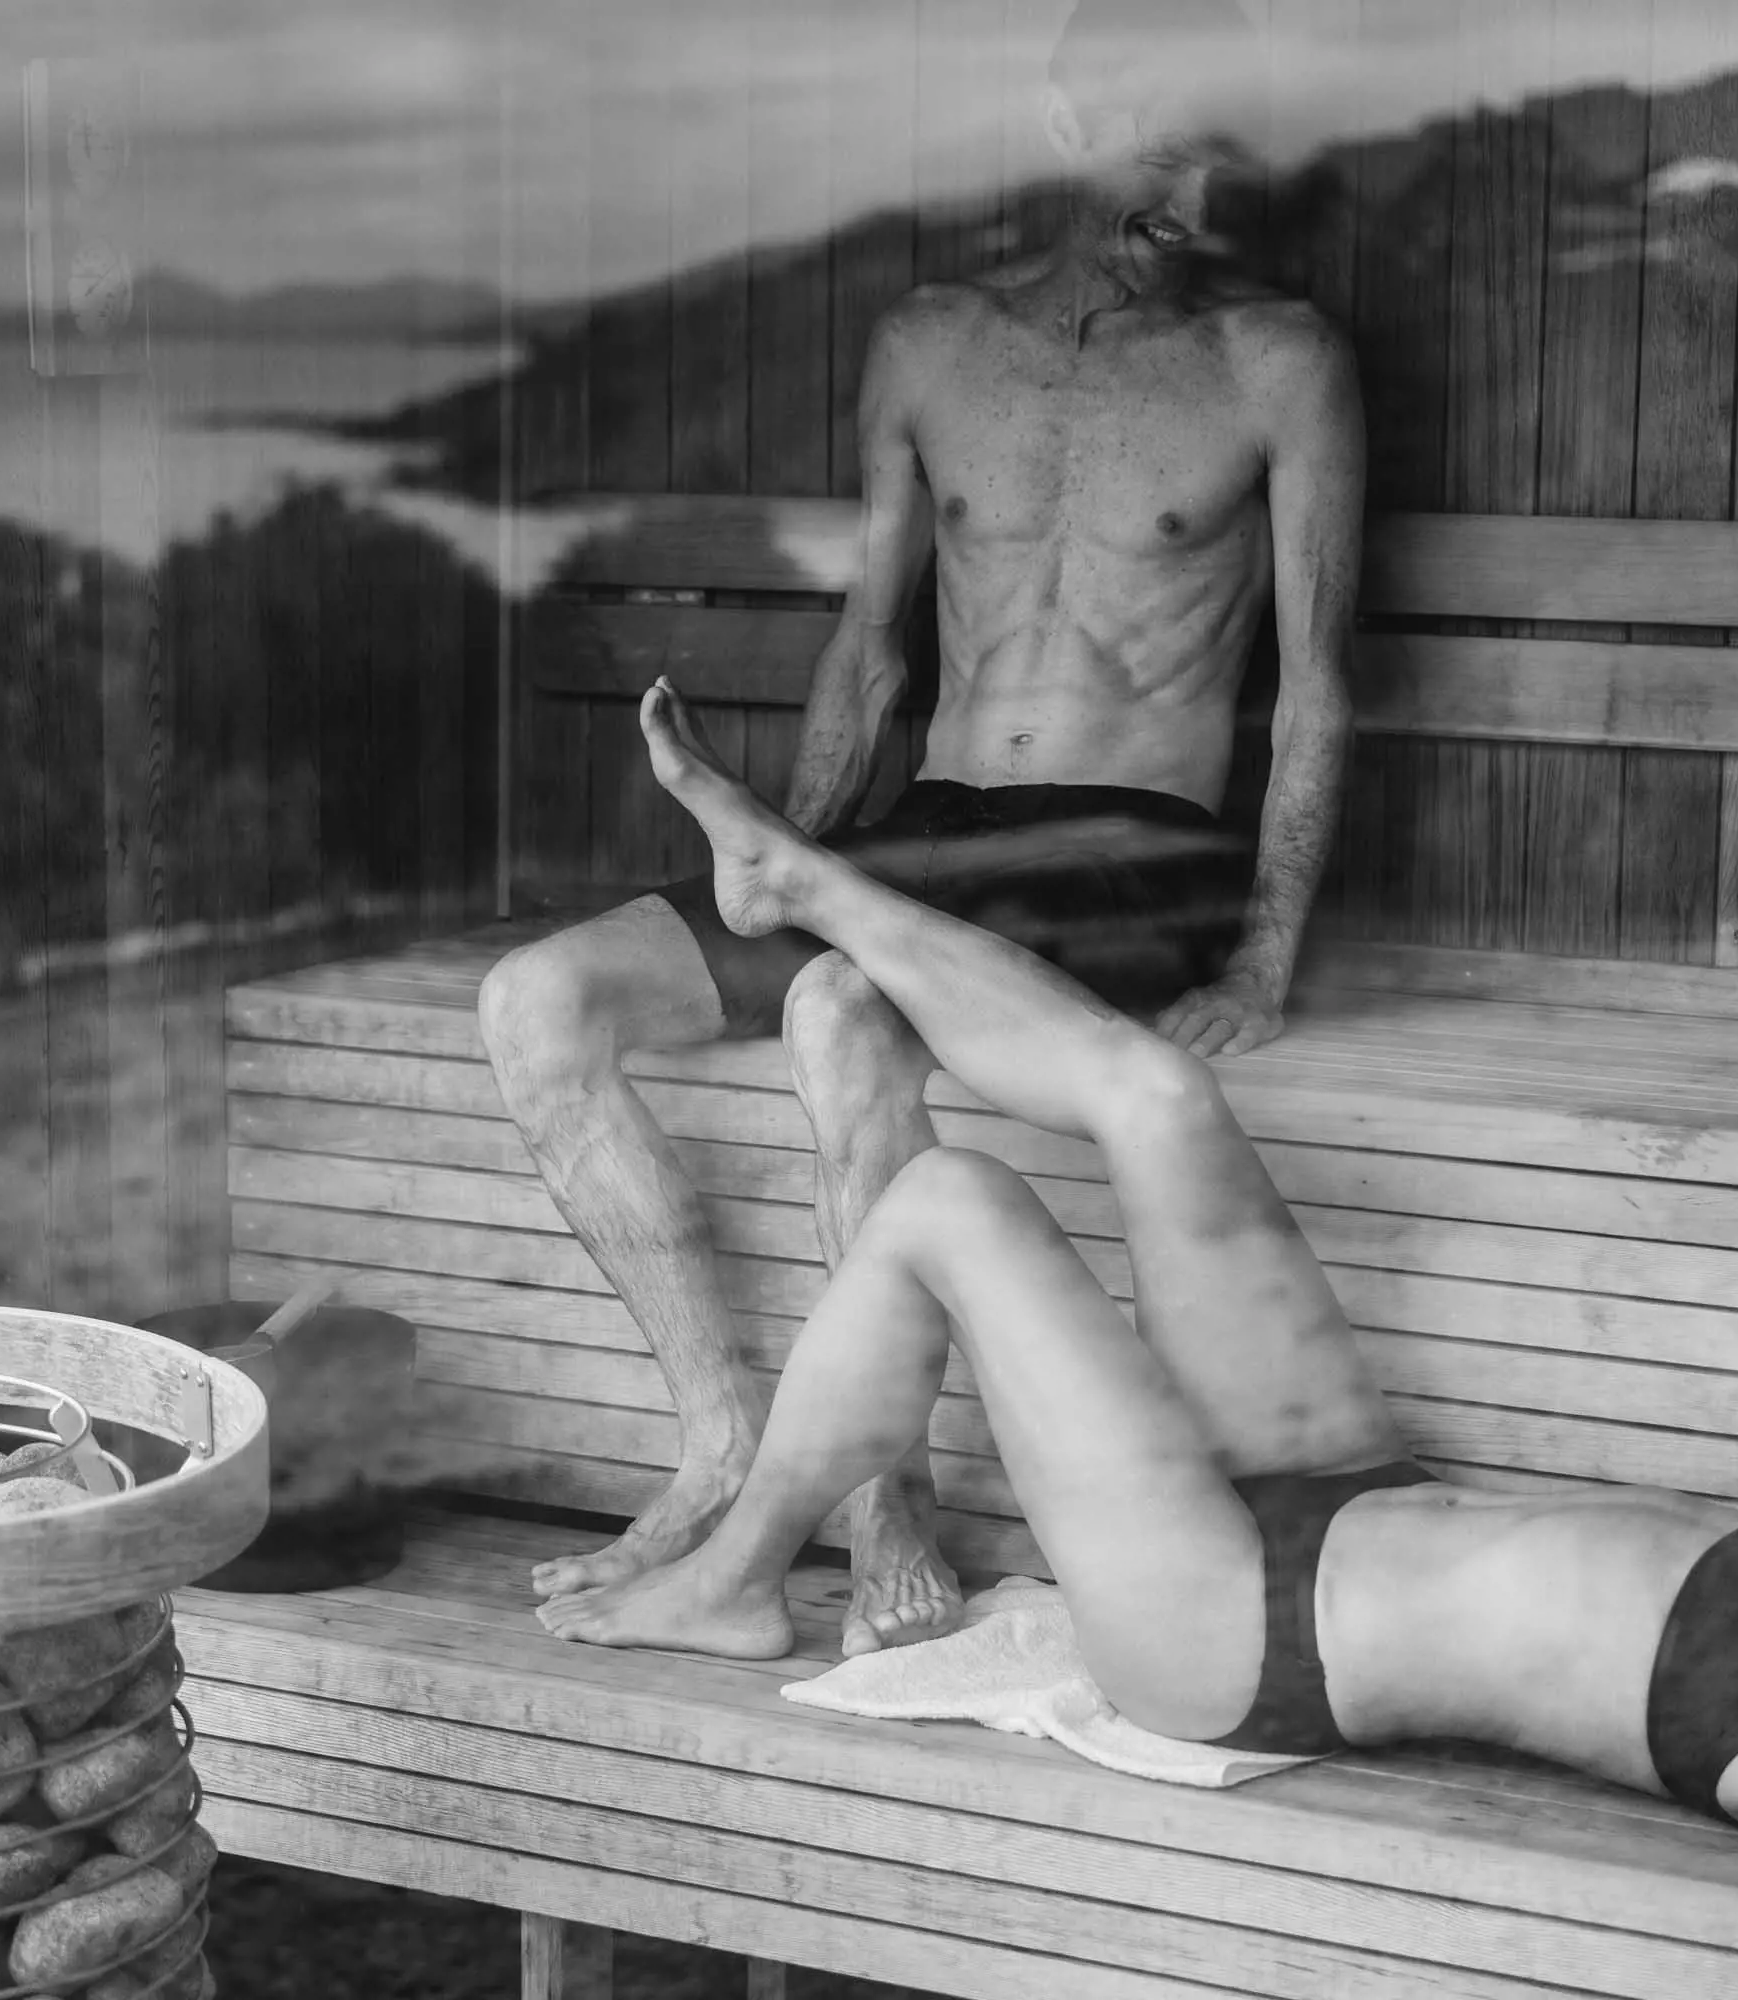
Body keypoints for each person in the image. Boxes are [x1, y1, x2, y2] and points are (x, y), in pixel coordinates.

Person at [539, 681, 1738, 1977]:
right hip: (1347, 1484)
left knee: (952, 1206)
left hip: (1245, 1628)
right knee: (1159, 1095)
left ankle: (739, 1581)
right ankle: (802, 880)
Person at [479, 0, 1359, 1653]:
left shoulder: (1280, 363)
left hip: (1133, 841)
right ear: (1068, 130)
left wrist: (1262, 951)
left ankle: (885, 1496)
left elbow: (1314, 684)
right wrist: (793, 858)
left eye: (1228, 146)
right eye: (1165, 141)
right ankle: (724, 1442)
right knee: (539, 1004)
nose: (1199, 183)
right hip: (931, 824)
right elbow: (875, 646)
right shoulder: (934, 344)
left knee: (843, 1003)